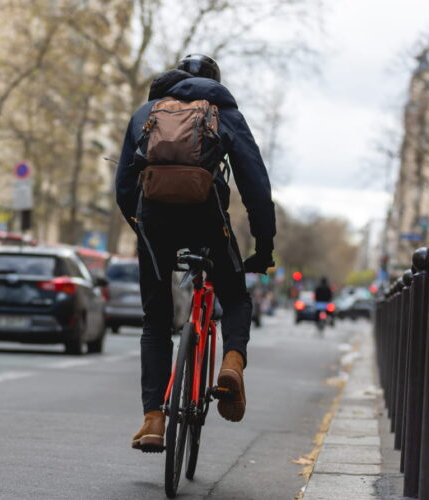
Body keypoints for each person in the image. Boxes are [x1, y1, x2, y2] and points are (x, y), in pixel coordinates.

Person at [116, 54, 276, 452]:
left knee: (156, 319)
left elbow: (123, 184)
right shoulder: (223, 112)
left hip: (153, 218)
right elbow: (255, 184)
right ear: (215, 81)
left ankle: (154, 420)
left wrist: (142, 230)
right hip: (205, 217)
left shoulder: (146, 112)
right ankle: (232, 363)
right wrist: (263, 246)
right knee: (236, 297)